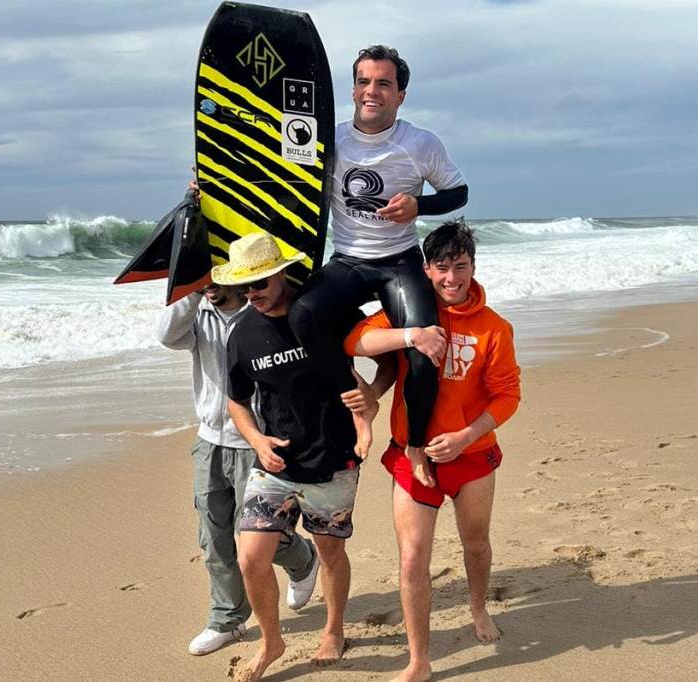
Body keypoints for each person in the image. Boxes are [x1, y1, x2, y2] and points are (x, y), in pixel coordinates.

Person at [344, 220, 521, 682]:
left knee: (476, 543)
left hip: (471, 457)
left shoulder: (495, 329)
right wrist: (409, 336)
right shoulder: (409, 310)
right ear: (425, 270)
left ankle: (478, 608)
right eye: (441, 268)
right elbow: (354, 340)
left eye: (460, 267)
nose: (451, 278)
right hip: (412, 457)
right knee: (411, 558)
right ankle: (418, 659)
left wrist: (464, 436)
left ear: (473, 267)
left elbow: (508, 395)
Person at [218, 232, 394, 681]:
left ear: (279, 273)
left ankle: (334, 630)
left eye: (258, 284)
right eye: (243, 288)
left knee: (330, 552)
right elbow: (236, 400)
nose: (250, 295)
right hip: (274, 464)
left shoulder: (326, 312)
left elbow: (392, 354)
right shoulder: (241, 332)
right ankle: (271, 640)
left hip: (334, 458)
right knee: (250, 558)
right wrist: (257, 441)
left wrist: (370, 395)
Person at [287, 44, 469, 473]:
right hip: (348, 260)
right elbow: (276, 180)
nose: (373, 91)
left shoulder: (420, 143)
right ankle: (359, 400)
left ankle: (415, 445)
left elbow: (458, 193)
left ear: (400, 94)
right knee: (302, 317)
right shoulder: (327, 141)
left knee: (426, 356)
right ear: (352, 90)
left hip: (399, 262)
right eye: (364, 81)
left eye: (384, 83)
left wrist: (418, 207)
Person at [157, 281, 320, 656]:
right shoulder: (199, 315)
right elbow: (166, 335)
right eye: (204, 277)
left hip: (256, 440)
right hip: (209, 440)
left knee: (256, 536)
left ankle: (302, 558)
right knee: (213, 537)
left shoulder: (262, 309)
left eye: (217, 278)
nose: (211, 285)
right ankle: (227, 620)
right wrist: (194, 292)